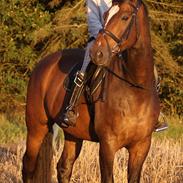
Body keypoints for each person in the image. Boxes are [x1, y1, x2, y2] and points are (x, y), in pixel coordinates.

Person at [62, 0, 168, 132]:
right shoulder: (93, 1)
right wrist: (105, 39)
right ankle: (71, 107)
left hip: (121, 41)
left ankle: (156, 112)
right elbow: (93, 21)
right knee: (84, 69)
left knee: (151, 71)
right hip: (100, 40)